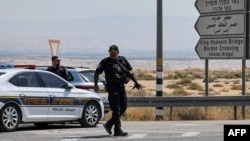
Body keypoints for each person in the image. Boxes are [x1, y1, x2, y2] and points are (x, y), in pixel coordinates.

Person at [94, 45, 132, 136]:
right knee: (117, 109)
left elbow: (130, 71)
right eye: (111, 53)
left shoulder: (122, 60)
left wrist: (128, 77)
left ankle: (109, 124)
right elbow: (97, 73)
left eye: (114, 52)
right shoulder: (105, 62)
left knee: (124, 107)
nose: (113, 54)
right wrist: (95, 85)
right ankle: (117, 130)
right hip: (112, 87)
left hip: (121, 86)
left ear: (118, 52)